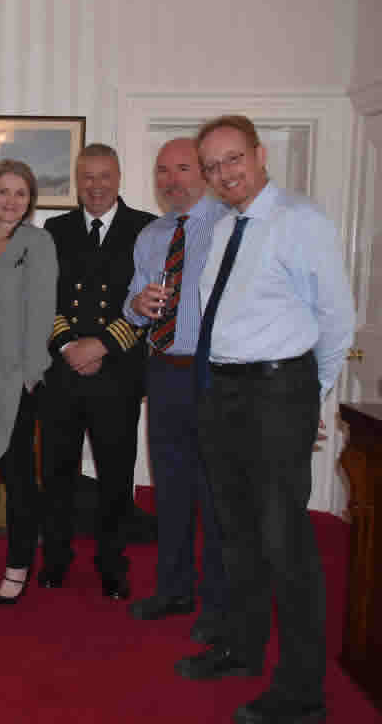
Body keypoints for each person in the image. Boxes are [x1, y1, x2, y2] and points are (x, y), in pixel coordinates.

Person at [175, 115, 354, 724]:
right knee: (235, 532)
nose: (224, 173)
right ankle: (242, 649)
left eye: (233, 159)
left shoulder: (301, 222)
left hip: (279, 391)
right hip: (222, 391)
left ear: (259, 154)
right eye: (213, 166)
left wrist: (311, 397)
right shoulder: (227, 229)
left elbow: (335, 319)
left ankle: (303, 691)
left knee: (286, 541)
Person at [123, 139, 230, 640]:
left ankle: (218, 605)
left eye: (183, 169)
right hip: (163, 369)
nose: (172, 180)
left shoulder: (231, 227)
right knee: (170, 489)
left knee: (215, 494)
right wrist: (137, 304)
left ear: (205, 173)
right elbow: (131, 303)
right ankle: (173, 589)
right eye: (162, 170)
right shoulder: (151, 235)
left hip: (216, 374)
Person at [39, 143, 155, 600]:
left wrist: (102, 345)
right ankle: (58, 559)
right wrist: (69, 345)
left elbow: (152, 301)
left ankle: (112, 562)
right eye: (87, 177)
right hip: (64, 372)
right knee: (58, 473)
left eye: (104, 176)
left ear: (120, 177)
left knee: (115, 476)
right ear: (77, 180)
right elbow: (44, 297)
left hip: (117, 374)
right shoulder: (56, 228)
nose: (95, 186)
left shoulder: (145, 229)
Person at [0, 160, 57, 605]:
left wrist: (31, 374)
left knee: (19, 479)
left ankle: (19, 562)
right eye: (3, 191)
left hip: (19, 379)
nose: (11, 201)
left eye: (20, 193)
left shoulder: (38, 243)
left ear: (30, 200)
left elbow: (42, 312)